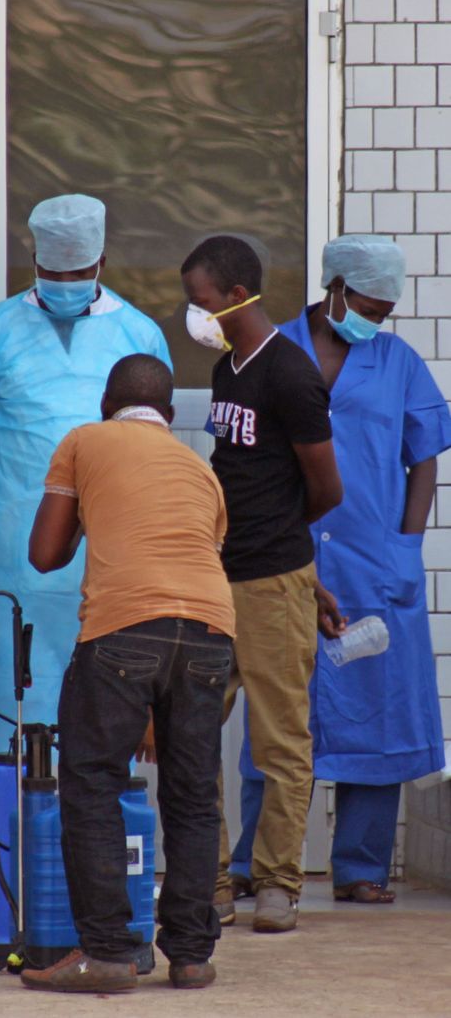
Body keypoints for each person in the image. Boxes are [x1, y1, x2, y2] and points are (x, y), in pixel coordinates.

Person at [228, 235, 451, 904]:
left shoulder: (398, 362)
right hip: (282, 552)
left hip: (372, 561)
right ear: (334, 288)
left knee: (376, 710)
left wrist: (408, 546)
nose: (375, 322)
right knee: (275, 708)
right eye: (367, 305)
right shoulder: (274, 350)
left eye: (385, 311)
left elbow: (425, 458)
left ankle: (359, 866)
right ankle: (251, 863)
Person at [23, 354, 234, 994]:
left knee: (91, 783)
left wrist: (94, 511)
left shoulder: (85, 441)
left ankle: (109, 953)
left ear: (106, 404)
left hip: (122, 628)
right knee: (194, 795)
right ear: (168, 417)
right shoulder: (201, 471)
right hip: (211, 633)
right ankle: (192, 956)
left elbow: (44, 555)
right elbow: (189, 577)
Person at [0, 194, 171, 751]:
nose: (65, 282)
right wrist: (16, 486)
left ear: (101, 265)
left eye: (78, 273)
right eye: (53, 272)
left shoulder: (139, 336)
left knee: (90, 685)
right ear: (34, 264)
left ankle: (82, 832)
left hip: (99, 542)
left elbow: (147, 436)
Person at [181, 235, 343, 933]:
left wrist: (288, 555)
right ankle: (210, 879)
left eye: (201, 300)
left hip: (273, 583)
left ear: (237, 293)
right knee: (193, 736)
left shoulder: (290, 374)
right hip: (216, 582)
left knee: (281, 741)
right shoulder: (227, 372)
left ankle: (279, 882)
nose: (194, 312)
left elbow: (326, 489)